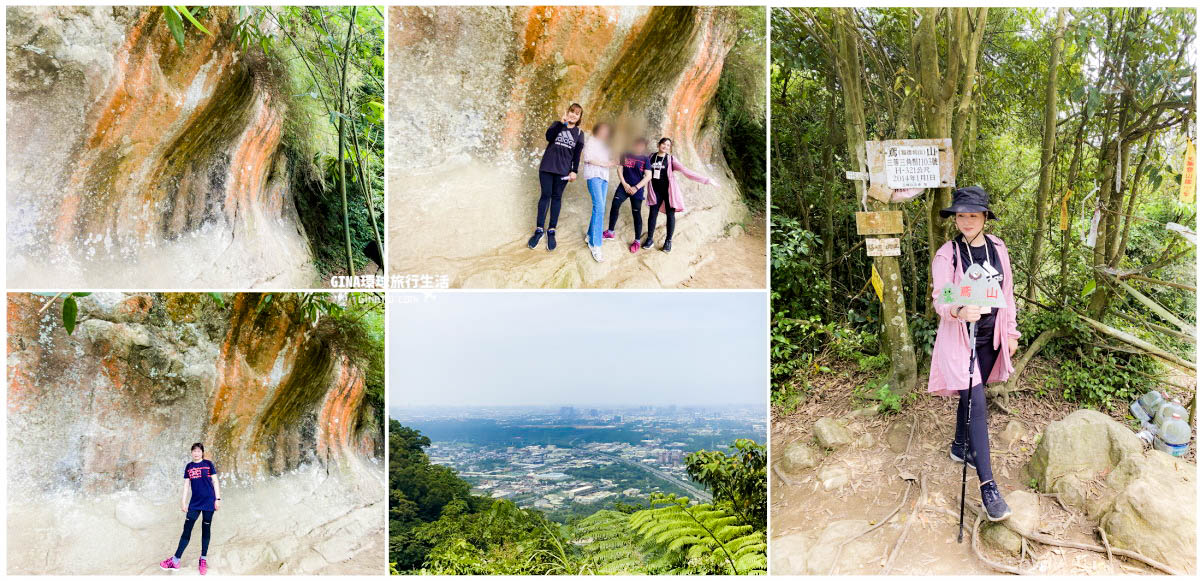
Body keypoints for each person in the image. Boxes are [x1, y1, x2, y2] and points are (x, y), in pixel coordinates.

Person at [928, 186, 1019, 522]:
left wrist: (1011, 332)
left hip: (990, 337)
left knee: (970, 399)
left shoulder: (997, 248)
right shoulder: (948, 254)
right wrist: (959, 310)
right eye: (960, 215)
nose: (965, 220)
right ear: (954, 219)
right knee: (978, 404)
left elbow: (1007, 290)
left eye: (972, 214)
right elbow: (942, 298)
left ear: (984, 218)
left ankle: (958, 446)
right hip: (960, 340)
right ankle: (988, 487)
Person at [528, 103, 585, 252]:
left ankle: (551, 230)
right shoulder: (557, 125)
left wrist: (574, 171)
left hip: (563, 171)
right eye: (571, 111)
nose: (573, 115)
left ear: (579, 117)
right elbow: (549, 137)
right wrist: (562, 123)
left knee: (557, 198)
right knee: (545, 196)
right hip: (547, 168)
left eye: (576, 114)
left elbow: (577, 155)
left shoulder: (579, 133)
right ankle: (539, 230)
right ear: (567, 112)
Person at [643, 137, 716, 253]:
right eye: (663, 144)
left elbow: (686, 172)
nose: (665, 147)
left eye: (668, 145)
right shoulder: (651, 157)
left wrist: (707, 180)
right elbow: (641, 168)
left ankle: (668, 241)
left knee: (670, 215)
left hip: (669, 192)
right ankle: (650, 239)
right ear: (659, 144)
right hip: (655, 191)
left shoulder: (671, 160)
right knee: (652, 214)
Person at [159, 443, 221, 574]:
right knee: (187, 529)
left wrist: (218, 499)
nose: (196, 453)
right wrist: (183, 502)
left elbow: (215, 481)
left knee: (206, 529)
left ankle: (203, 559)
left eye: (199, 451)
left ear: (202, 452)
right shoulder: (189, 466)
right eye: (194, 451)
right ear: (191, 453)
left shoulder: (209, 464)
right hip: (195, 503)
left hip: (209, 502)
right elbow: (186, 486)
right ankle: (175, 560)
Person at [602, 137, 651, 253]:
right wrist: (624, 184)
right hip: (624, 186)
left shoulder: (645, 159)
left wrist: (636, 187)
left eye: (642, 145)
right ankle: (610, 232)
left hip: (637, 189)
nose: (639, 146)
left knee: (636, 213)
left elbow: (648, 176)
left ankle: (637, 241)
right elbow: (619, 169)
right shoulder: (626, 154)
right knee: (615, 205)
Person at [580, 122, 618, 262]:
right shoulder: (591, 141)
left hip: (604, 177)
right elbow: (588, 158)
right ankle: (596, 245)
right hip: (594, 176)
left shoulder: (606, 145)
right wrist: (607, 164)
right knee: (600, 207)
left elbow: (610, 161)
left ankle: (590, 235)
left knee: (599, 208)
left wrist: (614, 160)